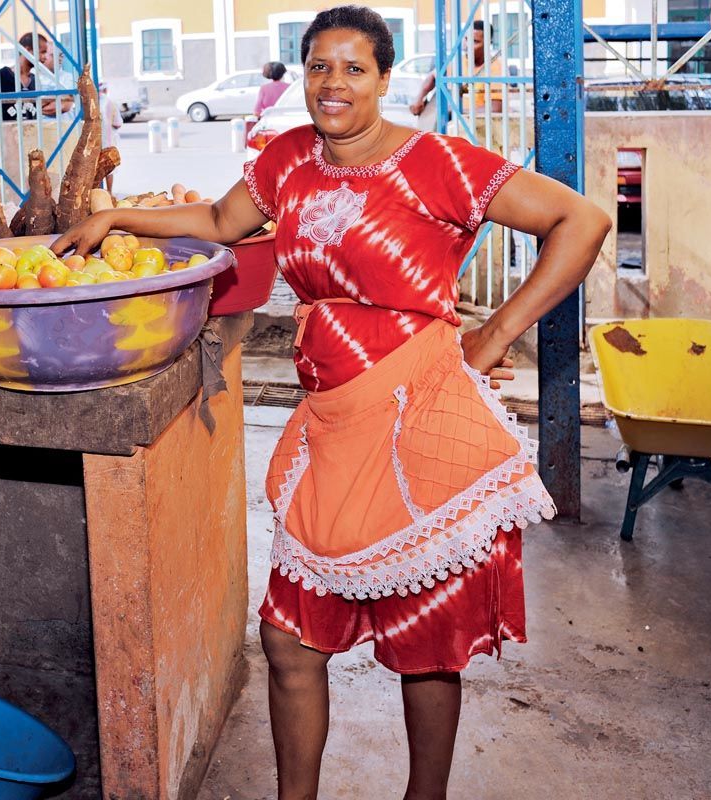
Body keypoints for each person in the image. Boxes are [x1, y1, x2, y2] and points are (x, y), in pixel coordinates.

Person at [53, 6, 610, 799]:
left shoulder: (437, 162)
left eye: (354, 68)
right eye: (319, 66)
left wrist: (492, 339)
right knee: (288, 641)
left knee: (425, 649)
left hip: (418, 424)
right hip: (330, 423)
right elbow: (219, 220)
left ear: (384, 79)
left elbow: (581, 219)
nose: (333, 83)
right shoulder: (288, 157)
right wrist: (117, 215)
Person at [411, 19, 503, 117]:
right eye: (467, 39)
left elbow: (495, 108)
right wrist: (419, 99)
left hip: (478, 124)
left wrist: (457, 111)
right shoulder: (459, 62)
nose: (468, 45)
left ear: (488, 43)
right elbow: (434, 76)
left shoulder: (496, 69)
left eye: (475, 41)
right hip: (455, 122)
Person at [0, 32, 45, 122]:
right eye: (42, 52)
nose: (44, 57)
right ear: (27, 50)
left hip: (31, 130)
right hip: (5, 130)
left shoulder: (35, 80)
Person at [98, 83, 124, 192]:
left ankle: (97, 192)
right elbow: (117, 123)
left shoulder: (89, 101)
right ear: (105, 90)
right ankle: (109, 192)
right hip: (108, 141)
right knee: (109, 169)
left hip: (93, 143)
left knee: (95, 168)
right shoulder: (110, 102)